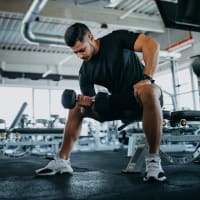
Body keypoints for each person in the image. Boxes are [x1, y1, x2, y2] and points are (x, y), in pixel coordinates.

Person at [35, 22, 166, 182]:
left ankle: (153, 162)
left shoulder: (116, 39)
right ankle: (62, 160)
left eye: (82, 50)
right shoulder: (85, 72)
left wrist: (147, 79)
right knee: (76, 106)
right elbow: (95, 108)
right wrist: (88, 103)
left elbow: (151, 44)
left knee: (149, 90)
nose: (80, 56)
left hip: (142, 98)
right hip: (120, 104)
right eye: (75, 53)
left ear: (90, 37)